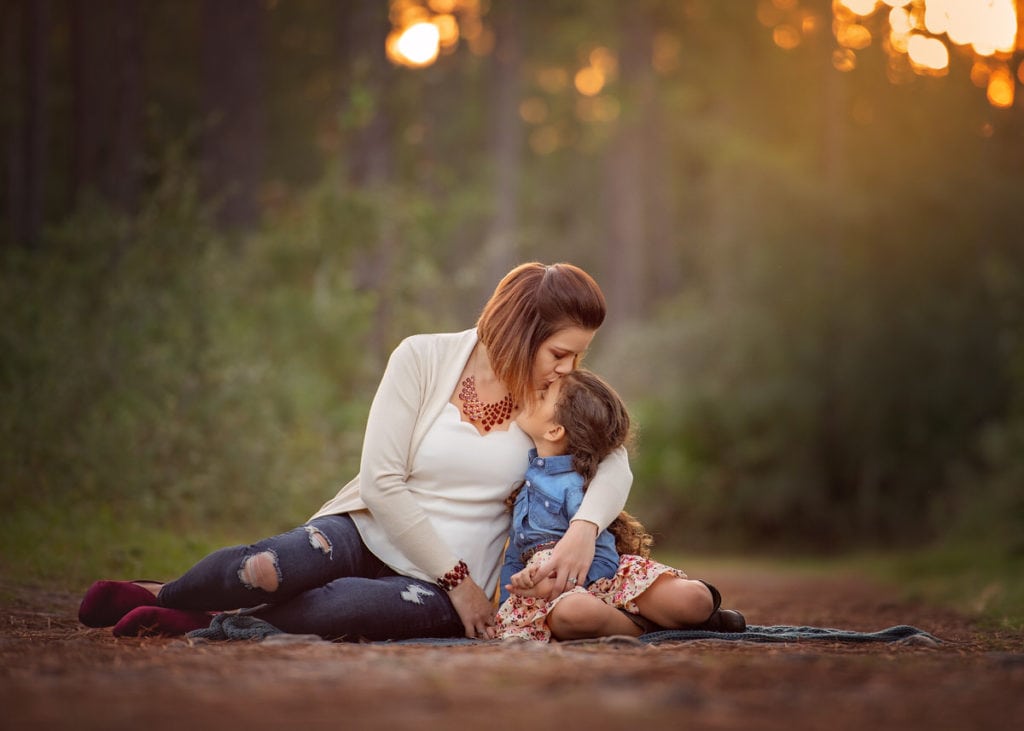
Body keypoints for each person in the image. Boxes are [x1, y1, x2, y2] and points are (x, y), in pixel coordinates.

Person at [77, 262, 633, 641]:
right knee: (269, 568)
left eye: (576, 357)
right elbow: (380, 481)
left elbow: (614, 460)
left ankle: (206, 622)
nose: (568, 368)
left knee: (340, 606)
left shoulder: (555, 396)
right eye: (560, 352)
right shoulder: (421, 357)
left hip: (433, 586)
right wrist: (459, 582)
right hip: (367, 530)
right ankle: (167, 595)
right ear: (521, 330)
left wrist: (583, 528)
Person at [495, 369, 745, 642]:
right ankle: (647, 627)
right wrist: (509, 603)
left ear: (554, 430)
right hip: (562, 599)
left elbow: (601, 557)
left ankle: (676, 613)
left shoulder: (579, 485)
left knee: (695, 599)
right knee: (575, 613)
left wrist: (568, 581)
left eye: (542, 396)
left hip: (605, 581)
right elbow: (514, 557)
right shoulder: (526, 488)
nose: (531, 394)